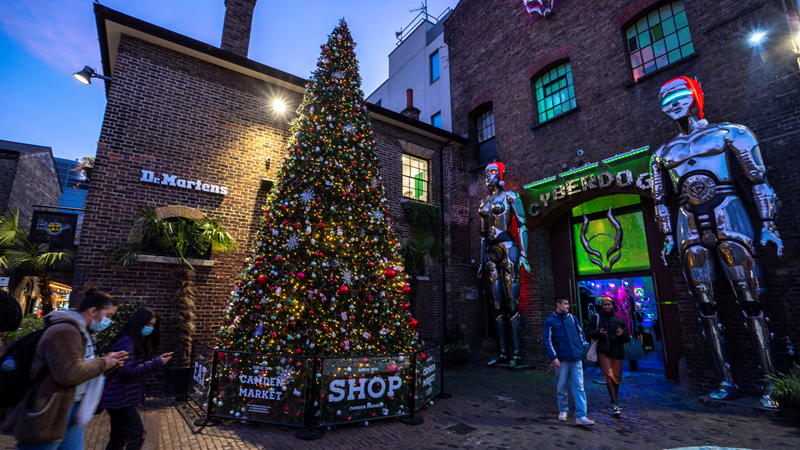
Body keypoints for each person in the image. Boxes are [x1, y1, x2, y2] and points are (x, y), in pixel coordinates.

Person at [651, 76, 783, 408]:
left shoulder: (731, 134)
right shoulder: (663, 153)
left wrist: (767, 224)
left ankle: (771, 382)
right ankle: (726, 380)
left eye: (679, 95)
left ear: (694, 95)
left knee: (751, 299)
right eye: (666, 99)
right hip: (688, 221)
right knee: (705, 306)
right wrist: (668, 236)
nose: (674, 103)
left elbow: (758, 179)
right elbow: (660, 200)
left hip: (729, 210)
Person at [1, 288, 128, 449]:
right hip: (49, 410)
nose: (109, 321)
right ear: (93, 311)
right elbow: (67, 374)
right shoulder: (65, 331)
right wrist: (104, 363)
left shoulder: (85, 332)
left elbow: (83, 368)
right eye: (108, 316)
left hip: (69, 407)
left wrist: (109, 363)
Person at [477, 161, 530, 367]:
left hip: (508, 248)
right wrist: (481, 259)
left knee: (512, 304)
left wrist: (524, 254)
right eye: (486, 172)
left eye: (491, 172)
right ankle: (502, 352)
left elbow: (522, 224)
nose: (487, 176)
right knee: (497, 306)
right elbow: (482, 235)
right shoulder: (483, 203)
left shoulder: (511, 196)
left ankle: (515, 353)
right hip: (490, 251)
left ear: (500, 173)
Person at [100, 306, 171, 450]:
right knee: (137, 436)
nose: (150, 328)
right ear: (138, 323)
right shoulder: (128, 342)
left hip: (120, 397)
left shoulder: (134, 340)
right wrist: (157, 363)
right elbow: (127, 371)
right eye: (148, 324)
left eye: (152, 325)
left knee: (118, 438)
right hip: (120, 399)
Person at [543, 296, 595, 426]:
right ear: (558, 304)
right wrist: (554, 357)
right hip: (562, 359)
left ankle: (581, 415)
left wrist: (581, 349)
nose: (568, 306)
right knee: (562, 386)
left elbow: (580, 333)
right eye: (565, 304)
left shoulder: (572, 318)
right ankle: (563, 410)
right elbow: (547, 340)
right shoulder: (550, 321)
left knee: (579, 387)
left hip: (576, 357)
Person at [586, 295, 630, 416]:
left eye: (609, 304)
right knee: (608, 375)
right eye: (605, 305)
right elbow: (588, 332)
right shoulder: (596, 318)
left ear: (612, 306)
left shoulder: (619, 320)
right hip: (603, 350)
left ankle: (613, 401)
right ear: (602, 306)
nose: (607, 306)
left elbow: (627, 338)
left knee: (616, 377)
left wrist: (622, 334)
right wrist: (598, 333)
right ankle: (615, 403)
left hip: (617, 352)